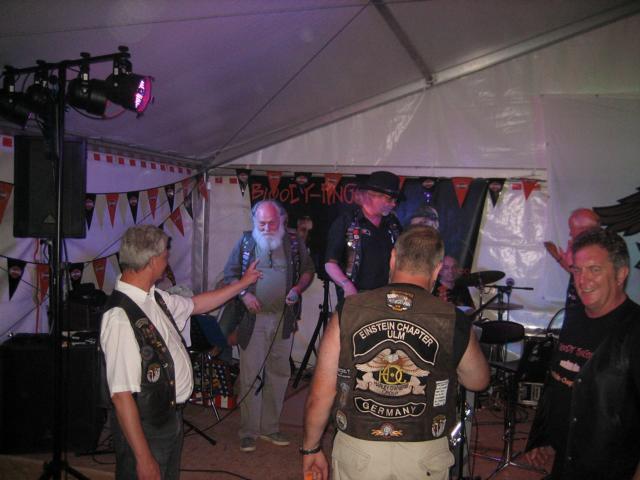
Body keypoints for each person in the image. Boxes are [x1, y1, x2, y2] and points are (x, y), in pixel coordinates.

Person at [303, 226, 490, 480]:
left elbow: (321, 393)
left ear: (393, 258)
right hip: (424, 451)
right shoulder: (453, 319)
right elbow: (478, 381)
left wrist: (311, 447)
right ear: (436, 269)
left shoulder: (349, 310)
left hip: (359, 446)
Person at [100, 225, 261, 479]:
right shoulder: (120, 318)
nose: (168, 262)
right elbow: (121, 396)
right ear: (152, 261)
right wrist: (143, 458)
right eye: (165, 256)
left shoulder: (153, 297)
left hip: (168, 417)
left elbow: (196, 304)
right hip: (146, 428)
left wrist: (243, 283)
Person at [526, 228, 640, 479]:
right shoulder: (574, 317)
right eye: (577, 270)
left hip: (609, 468)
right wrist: (544, 435)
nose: (582, 280)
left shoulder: (634, 328)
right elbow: (558, 380)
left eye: (594, 269)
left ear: (621, 274)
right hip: (566, 460)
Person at [223, 200, 315, 452]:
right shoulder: (246, 242)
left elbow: (308, 270)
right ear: (254, 221)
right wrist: (244, 294)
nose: (266, 228)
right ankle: (248, 431)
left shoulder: (294, 242)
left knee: (279, 374)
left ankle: (270, 428)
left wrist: (297, 289)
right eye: (261, 223)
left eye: (271, 223)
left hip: (283, 319)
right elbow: (230, 274)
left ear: (281, 220)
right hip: (253, 321)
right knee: (251, 375)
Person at [325, 171, 402, 299]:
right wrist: (346, 285)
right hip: (356, 296)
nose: (393, 204)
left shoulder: (392, 224)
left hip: (387, 296)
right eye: (389, 199)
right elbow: (330, 263)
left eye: (395, 200)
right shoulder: (346, 222)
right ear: (371, 196)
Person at [544, 208, 600, 308]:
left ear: (583, 229)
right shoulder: (596, 244)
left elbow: (574, 270)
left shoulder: (593, 248)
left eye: (572, 228)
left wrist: (555, 255)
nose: (570, 233)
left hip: (584, 305)